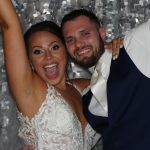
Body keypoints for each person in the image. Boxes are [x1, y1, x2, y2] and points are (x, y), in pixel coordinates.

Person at [0, 1, 102, 149]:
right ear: (28, 61)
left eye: (54, 47)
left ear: (66, 50)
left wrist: (114, 47)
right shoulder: (29, 90)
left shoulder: (85, 87)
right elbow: (9, 24)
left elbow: (126, 84)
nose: (48, 57)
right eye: (37, 51)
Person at [61, 9, 150, 150]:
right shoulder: (86, 97)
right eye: (70, 40)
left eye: (85, 33)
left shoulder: (132, 44)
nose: (78, 44)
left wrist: (126, 38)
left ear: (101, 33)